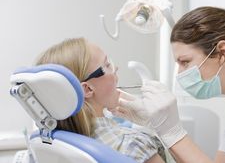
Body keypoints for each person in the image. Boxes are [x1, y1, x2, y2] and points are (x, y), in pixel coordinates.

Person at [111, 6, 225, 163]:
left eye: (185, 62)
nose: (179, 74)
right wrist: (158, 126)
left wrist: (172, 132)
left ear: (222, 53)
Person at [35, 37, 173, 163]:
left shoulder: (49, 143)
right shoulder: (133, 145)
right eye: (107, 65)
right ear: (88, 89)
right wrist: (167, 129)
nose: (115, 68)